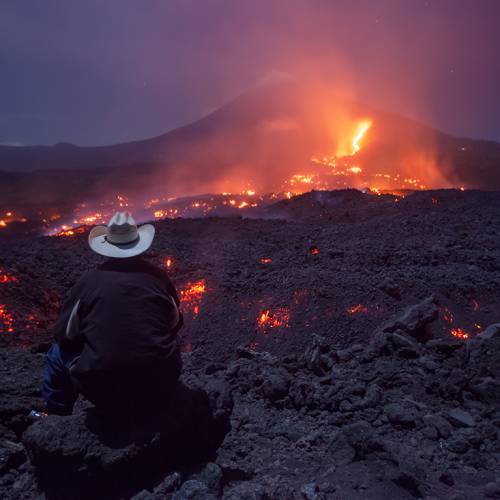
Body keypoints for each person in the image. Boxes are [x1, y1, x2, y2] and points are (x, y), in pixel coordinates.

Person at [42, 212, 183, 415]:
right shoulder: (158, 279)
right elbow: (174, 323)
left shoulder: (88, 283)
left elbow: (64, 335)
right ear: (138, 244)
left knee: (57, 353)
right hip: (160, 385)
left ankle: (58, 414)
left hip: (104, 390)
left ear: (107, 247)